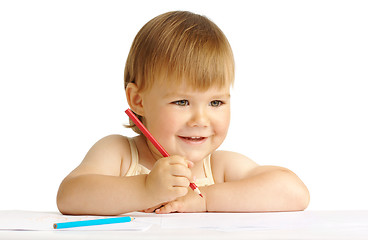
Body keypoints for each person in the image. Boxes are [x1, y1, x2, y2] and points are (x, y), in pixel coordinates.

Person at [56, 11, 309, 215]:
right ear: (137, 100)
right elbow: (69, 196)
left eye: (216, 103)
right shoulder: (120, 154)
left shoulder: (219, 167)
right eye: (182, 102)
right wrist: (146, 188)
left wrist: (204, 199)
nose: (200, 120)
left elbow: (294, 192)